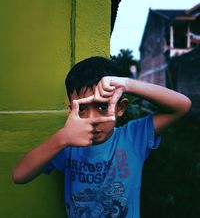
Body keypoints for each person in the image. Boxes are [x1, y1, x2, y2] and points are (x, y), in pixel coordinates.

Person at [12, 56, 191, 217]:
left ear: (120, 107)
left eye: (101, 107)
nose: (92, 119)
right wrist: (62, 138)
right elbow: (19, 175)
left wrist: (127, 84)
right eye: (82, 109)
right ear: (71, 111)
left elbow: (182, 105)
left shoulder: (133, 137)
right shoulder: (67, 144)